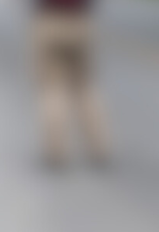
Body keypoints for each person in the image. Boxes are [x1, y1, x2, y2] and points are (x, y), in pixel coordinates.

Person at [33, 0, 108, 165]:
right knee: (85, 87)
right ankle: (100, 147)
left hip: (50, 22)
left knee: (53, 88)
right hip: (80, 23)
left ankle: (56, 151)